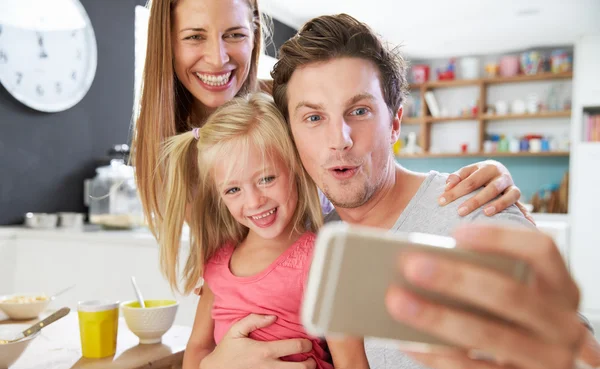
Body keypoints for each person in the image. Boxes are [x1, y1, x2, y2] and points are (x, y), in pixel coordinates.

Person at [200, 13, 600, 369]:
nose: (338, 139)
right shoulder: (304, 237)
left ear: (395, 122)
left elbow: (579, 364)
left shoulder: (473, 209)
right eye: (314, 117)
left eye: (359, 111)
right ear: (291, 136)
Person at [132, 0, 531, 243]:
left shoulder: (281, 104)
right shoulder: (172, 153)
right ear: (167, 42)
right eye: (194, 37)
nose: (218, 58)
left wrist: (489, 179)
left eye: (234, 34)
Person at [159, 93, 370, 369]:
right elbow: (198, 347)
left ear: (294, 167)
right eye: (233, 189)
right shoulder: (218, 261)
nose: (254, 201)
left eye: (267, 179)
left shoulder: (322, 260)